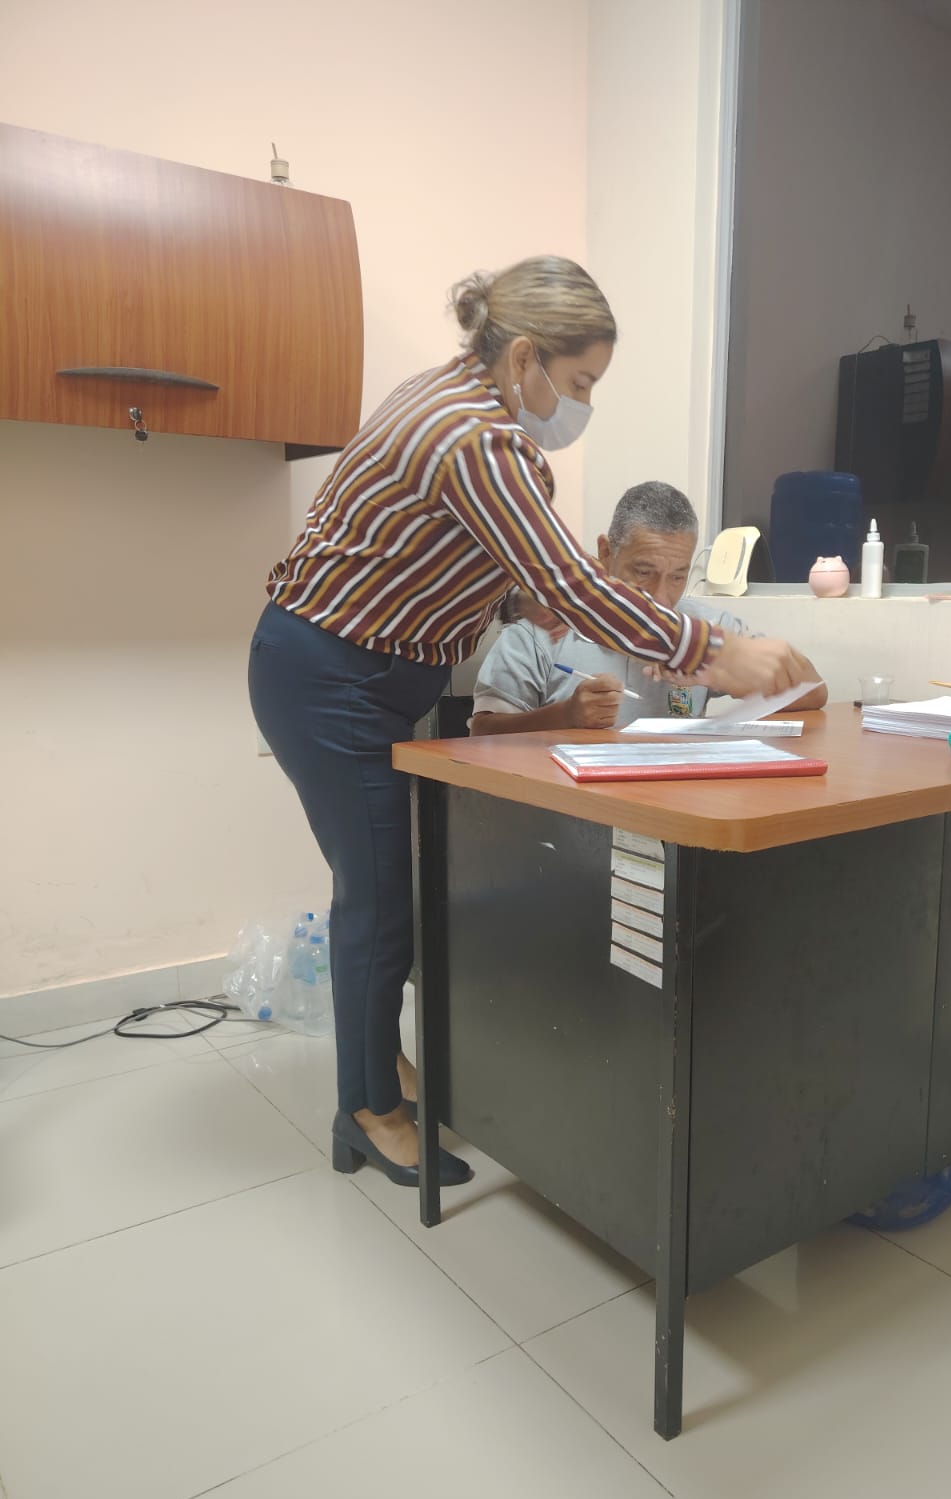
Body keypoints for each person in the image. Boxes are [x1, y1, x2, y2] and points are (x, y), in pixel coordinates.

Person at [248, 255, 813, 1189]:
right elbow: (574, 582)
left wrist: (517, 604)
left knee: (385, 887)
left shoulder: (449, 395)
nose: (582, 403)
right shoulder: (476, 437)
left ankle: (377, 1062)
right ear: (523, 358)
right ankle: (368, 1109)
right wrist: (711, 650)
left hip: (351, 671)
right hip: (332, 679)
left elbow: (440, 553)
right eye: (580, 382)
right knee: (379, 896)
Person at [471, 480, 826, 733]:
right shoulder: (542, 631)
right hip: (574, 808)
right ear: (606, 553)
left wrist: (731, 676)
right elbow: (482, 732)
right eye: (644, 573)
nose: (661, 598)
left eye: (678, 576)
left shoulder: (704, 627)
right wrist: (565, 716)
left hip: (674, 805)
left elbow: (814, 691)